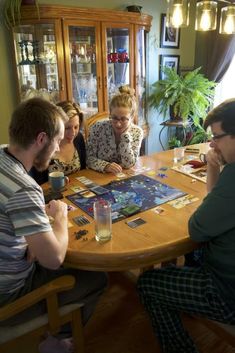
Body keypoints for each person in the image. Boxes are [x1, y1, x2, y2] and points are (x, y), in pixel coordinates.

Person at [0, 98, 107, 349]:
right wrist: (58, 215)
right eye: (57, 141)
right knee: (97, 279)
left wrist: (25, 236)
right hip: (8, 296)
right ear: (40, 140)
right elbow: (54, 258)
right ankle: (58, 341)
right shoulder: (24, 189)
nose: (59, 148)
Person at [137, 98, 235, 353]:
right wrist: (215, 167)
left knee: (147, 284)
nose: (212, 143)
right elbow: (215, 209)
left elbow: (197, 228)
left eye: (216, 136)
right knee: (192, 252)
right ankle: (186, 302)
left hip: (227, 293)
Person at [86, 86, 143, 173]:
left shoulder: (137, 132)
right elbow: (88, 159)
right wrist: (106, 166)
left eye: (123, 119)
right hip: (98, 175)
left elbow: (129, 164)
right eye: (114, 118)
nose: (118, 124)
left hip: (123, 176)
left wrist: (125, 137)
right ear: (110, 114)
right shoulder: (97, 128)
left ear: (132, 117)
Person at [30, 100, 86, 185]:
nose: (73, 133)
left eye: (76, 127)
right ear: (56, 126)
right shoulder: (44, 145)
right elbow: (39, 184)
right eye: (67, 128)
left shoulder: (78, 138)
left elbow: (83, 171)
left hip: (76, 190)